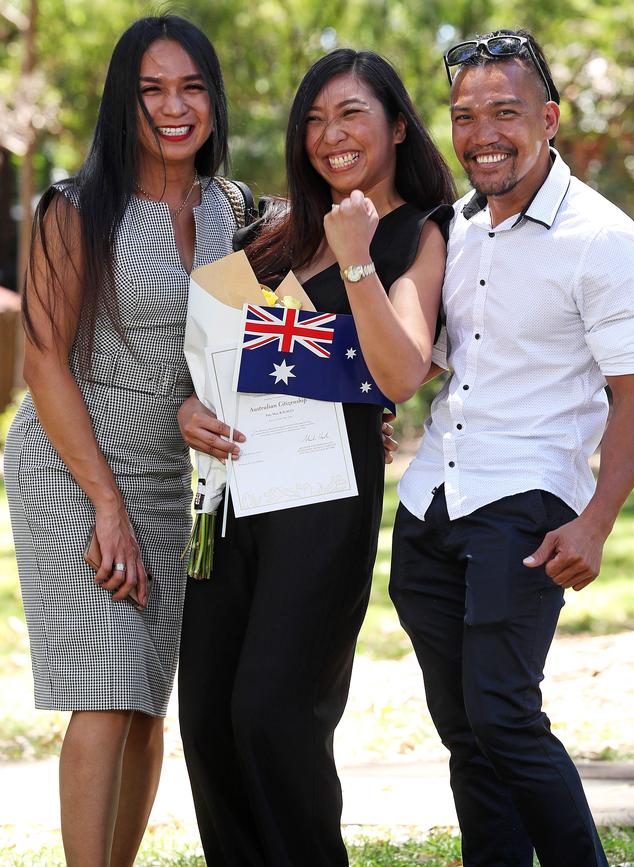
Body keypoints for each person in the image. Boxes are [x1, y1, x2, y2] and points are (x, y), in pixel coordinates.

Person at [177, 48, 456, 866]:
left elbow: (401, 370)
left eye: (352, 114)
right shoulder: (270, 236)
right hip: (228, 499)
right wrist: (191, 405)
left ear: (398, 125)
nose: (329, 135)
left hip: (322, 506)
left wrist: (358, 255)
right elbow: (215, 357)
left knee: (273, 711)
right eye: (314, 119)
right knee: (208, 716)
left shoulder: (418, 232)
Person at [390, 27, 634, 867]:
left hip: (526, 507)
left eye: (505, 111)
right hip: (432, 504)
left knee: (503, 712)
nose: (482, 134)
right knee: (468, 732)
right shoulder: (458, 227)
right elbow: (447, 353)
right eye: (465, 116)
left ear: (550, 118)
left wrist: (597, 523)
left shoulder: (602, 239)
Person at [3, 15, 249, 866]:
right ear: (123, 102)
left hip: (164, 476)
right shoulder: (78, 207)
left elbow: (246, 335)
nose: (174, 108)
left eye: (191, 88)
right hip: (71, 468)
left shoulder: (230, 211)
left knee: (147, 699)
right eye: (152, 90)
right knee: (106, 692)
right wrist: (104, 500)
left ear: (214, 100)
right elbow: (43, 362)